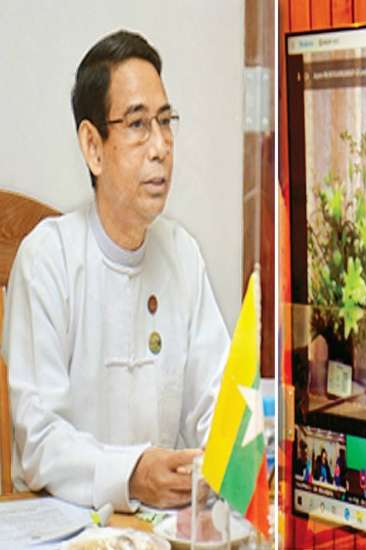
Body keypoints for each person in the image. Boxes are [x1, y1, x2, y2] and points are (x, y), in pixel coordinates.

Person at [1, 30, 230, 512]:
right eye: (138, 124)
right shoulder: (47, 259)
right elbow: (40, 440)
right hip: (65, 524)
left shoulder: (182, 255)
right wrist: (131, 474)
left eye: (165, 121)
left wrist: (230, 453)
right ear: (93, 147)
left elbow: (219, 403)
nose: (161, 146)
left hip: (159, 527)